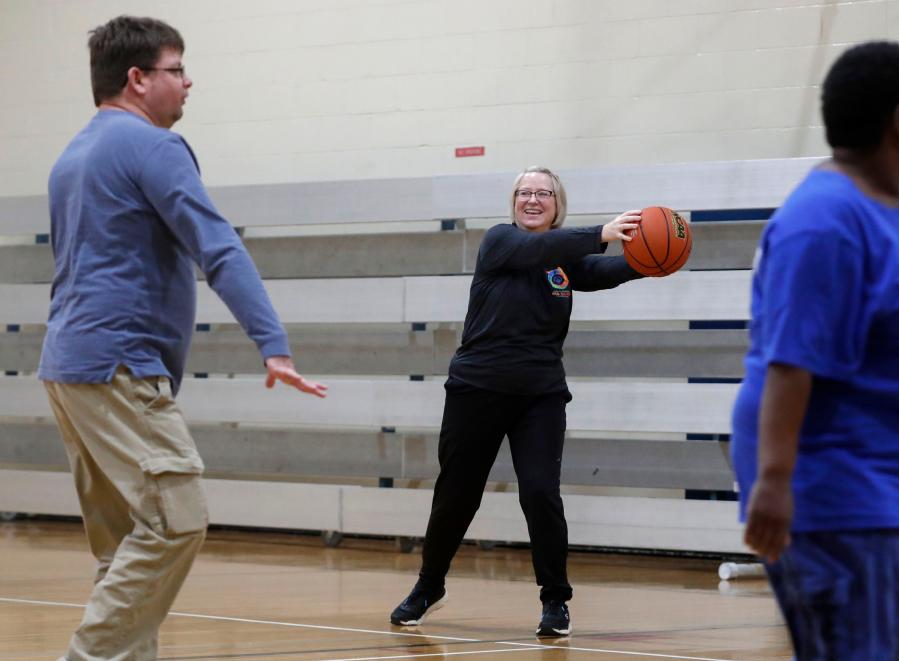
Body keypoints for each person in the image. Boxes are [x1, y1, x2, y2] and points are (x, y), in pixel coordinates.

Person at [38, 16, 326, 661]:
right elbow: (217, 247)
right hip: (118, 364)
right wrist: (272, 343)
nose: (188, 81)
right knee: (176, 520)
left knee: (122, 550)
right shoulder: (154, 147)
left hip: (68, 366)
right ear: (137, 80)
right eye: (176, 69)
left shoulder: (72, 155)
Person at [731, 41, 899, 660]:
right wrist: (776, 483)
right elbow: (791, 359)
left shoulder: (894, 211)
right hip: (837, 492)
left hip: (890, 488)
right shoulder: (825, 219)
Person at [389, 166, 654, 637]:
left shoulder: (562, 262)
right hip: (476, 390)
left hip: (540, 396)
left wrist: (650, 259)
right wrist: (601, 232)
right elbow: (542, 247)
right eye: (524, 193)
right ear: (513, 202)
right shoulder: (500, 241)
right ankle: (429, 586)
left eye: (543, 193)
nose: (532, 199)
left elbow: (603, 270)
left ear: (557, 203)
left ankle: (556, 601)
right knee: (456, 495)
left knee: (540, 493)